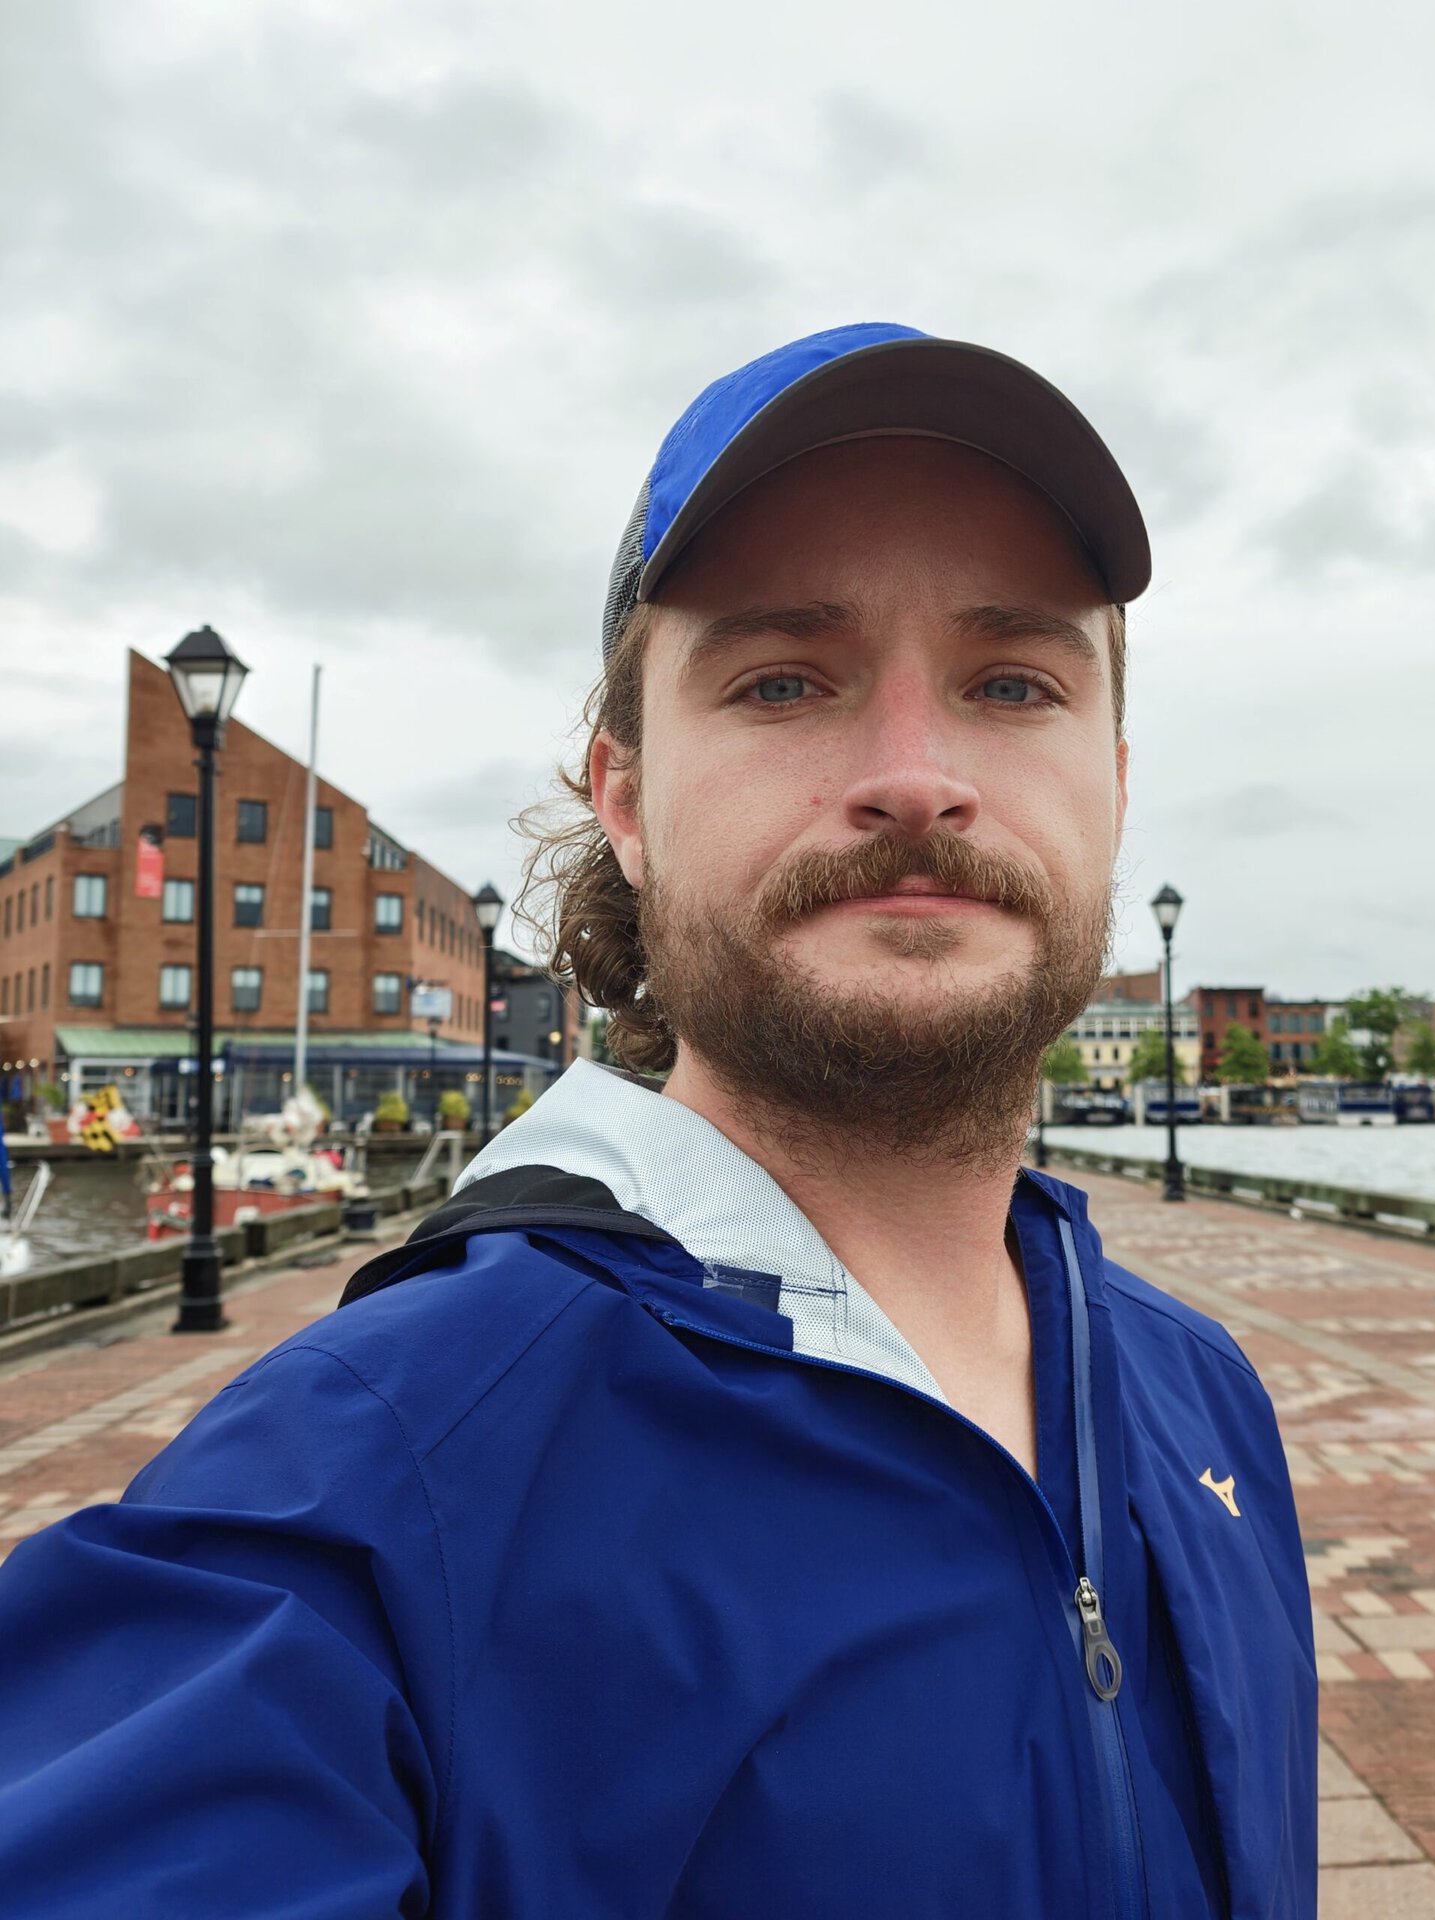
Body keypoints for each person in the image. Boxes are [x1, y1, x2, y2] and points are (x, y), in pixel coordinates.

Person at [0, 323, 1316, 1916]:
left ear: (1112, 777)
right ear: (624, 801)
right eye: (783, 681)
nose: (916, 776)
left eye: (1012, 683)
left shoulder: (1198, 1395)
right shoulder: (366, 1490)